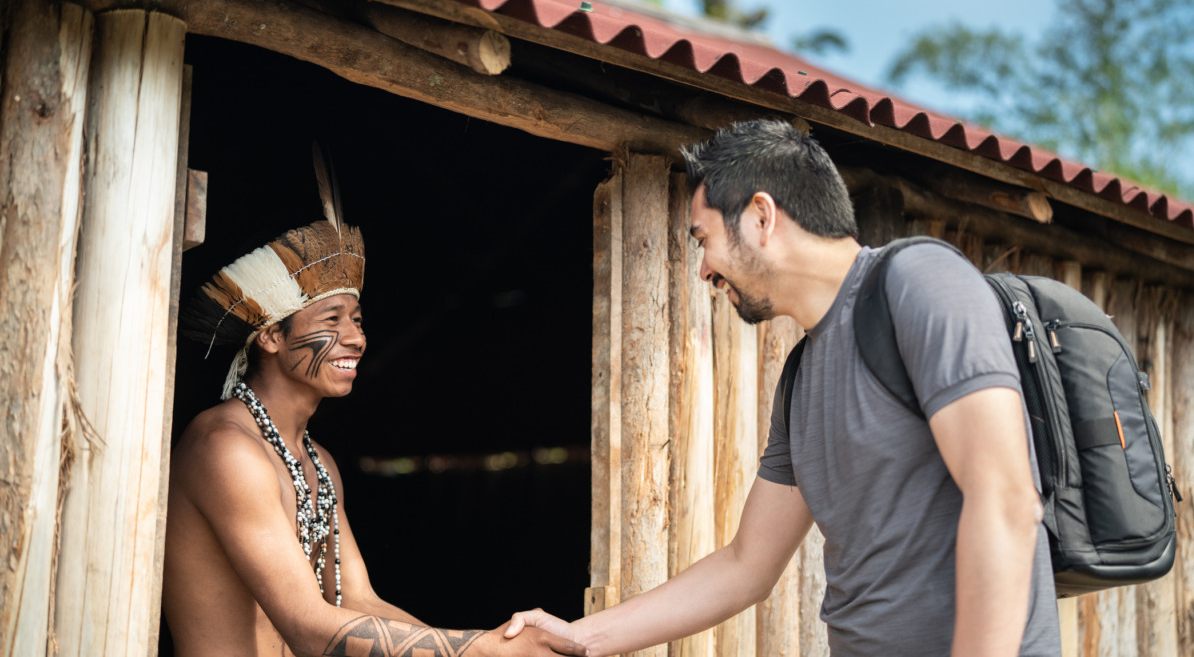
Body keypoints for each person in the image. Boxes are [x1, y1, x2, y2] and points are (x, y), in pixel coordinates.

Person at [506, 120, 1061, 656]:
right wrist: (575, 637)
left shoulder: (920, 282)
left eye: (704, 239)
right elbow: (746, 565)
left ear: (761, 217)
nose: (703, 270)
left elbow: (1007, 502)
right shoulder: (801, 376)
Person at [163, 193, 586, 657]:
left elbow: (360, 602)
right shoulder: (225, 448)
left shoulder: (319, 462)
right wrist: (486, 651)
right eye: (333, 319)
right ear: (270, 335)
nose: (357, 339)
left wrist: (483, 650)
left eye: (358, 320)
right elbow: (308, 628)